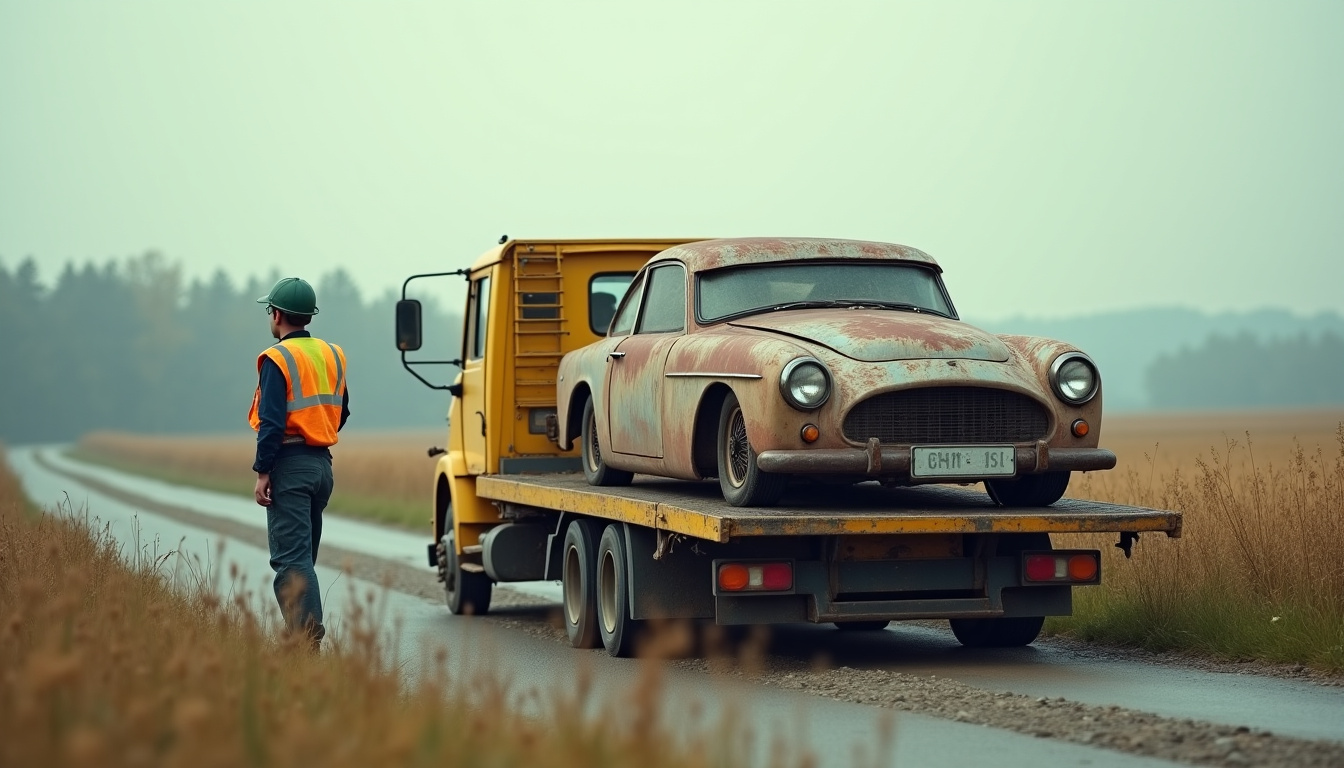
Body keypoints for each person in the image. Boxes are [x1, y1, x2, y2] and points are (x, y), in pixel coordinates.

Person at [247, 277, 350, 651]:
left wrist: (263, 471)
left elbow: (272, 422)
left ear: (276, 314)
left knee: (292, 562)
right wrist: (316, 431)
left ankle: (304, 645)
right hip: (322, 467)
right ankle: (303, 642)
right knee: (303, 559)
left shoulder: (277, 358)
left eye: (268, 311)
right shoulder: (332, 354)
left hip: (290, 467)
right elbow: (343, 411)